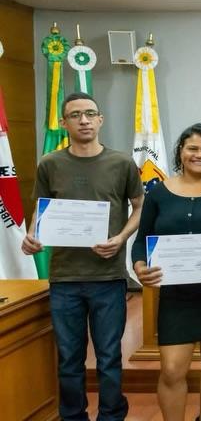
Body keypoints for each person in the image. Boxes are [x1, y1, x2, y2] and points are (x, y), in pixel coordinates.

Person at [21, 92, 144, 421]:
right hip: (65, 278)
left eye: (90, 113)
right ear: (64, 123)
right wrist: (32, 236)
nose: (84, 120)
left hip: (108, 277)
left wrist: (121, 238)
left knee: (109, 357)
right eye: (75, 115)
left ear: (100, 119)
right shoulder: (50, 164)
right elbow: (41, 211)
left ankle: (111, 415)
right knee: (69, 359)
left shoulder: (121, 163)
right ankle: (73, 416)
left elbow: (139, 207)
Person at [132, 123, 201, 421]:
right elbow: (141, 241)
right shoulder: (159, 193)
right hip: (176, 295)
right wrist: (139, 266)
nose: (199, 155)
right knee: (171, 369)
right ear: (180, 151)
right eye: (192, 148)